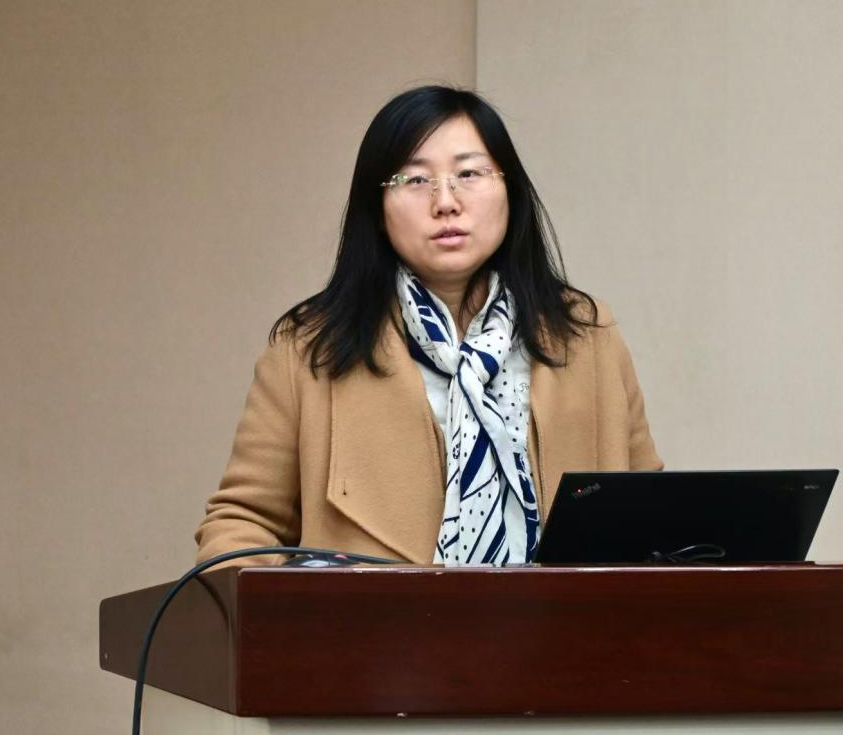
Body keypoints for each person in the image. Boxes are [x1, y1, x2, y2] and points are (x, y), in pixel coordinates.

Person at [195, 85, 661, 567]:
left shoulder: (588, 336)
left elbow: (654, 522)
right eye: (415, 180)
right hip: (375, 617)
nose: (446, 202)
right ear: (377, 209)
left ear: (511, 190)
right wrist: (305, 605)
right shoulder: (308, 350)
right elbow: (240, 525)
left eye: (469, 173)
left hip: (566, 617)